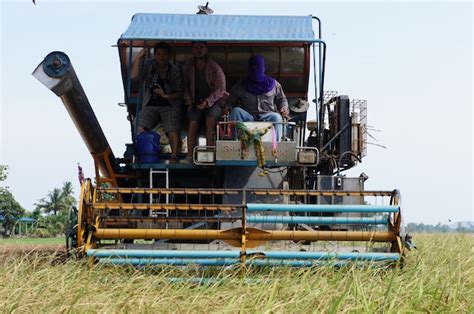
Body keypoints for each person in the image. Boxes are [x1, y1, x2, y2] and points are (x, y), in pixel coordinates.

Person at [131, 42, 183, 163]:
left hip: (169, 104)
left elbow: (180, 93)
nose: (161, 57)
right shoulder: (149, 65)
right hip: (151, 103)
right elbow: (133, 76)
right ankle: (147, 150)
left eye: (164, 55)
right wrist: (139, 57)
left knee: (172, 127)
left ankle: (174, 155)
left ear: (169, 56)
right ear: (155, 55)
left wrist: (165, 95)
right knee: (138, 124)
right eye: (158, 54)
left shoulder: (174, 70)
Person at [181, 41, 226, 162]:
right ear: (192, 50)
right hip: (195, 103)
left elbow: (221, 88)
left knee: (210, 121)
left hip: (213, 103)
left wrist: (207, 101)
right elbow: (183, 86)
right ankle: (190, 155)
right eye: (195, 48)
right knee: (192, 121)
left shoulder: (214, 67)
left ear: (206, 50)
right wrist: (189, 101)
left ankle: (209, 154)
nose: (198, 50)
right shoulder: (187, 67)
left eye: (201, 47)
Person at [227, 55, 289, 140]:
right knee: (236, 112)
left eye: (258, 67)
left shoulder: (274, 84)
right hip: (248, 117)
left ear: (263, 68)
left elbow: (282, 99)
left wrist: (284, 108)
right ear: (249, 69)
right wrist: (227, 108)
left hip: (267, 116)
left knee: (277, 117)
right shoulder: (241, 85)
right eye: (253, 67)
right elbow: (230, 102)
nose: (255, 70)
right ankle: (234, 143)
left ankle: (276, 146)